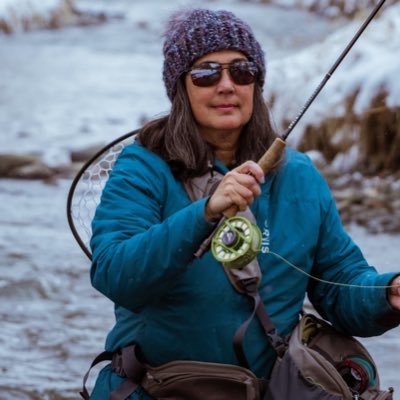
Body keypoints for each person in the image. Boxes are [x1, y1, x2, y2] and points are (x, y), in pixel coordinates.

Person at [86, 7, 400, 400]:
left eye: (241, 71)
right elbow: (116, 274)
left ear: (256, 84)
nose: (226, 85)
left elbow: (340, 284)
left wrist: (386, 292)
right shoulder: (143, 166)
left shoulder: (298, 174)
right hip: (154, 389)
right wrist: (204, 214)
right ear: (180, 87)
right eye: (206, 73)